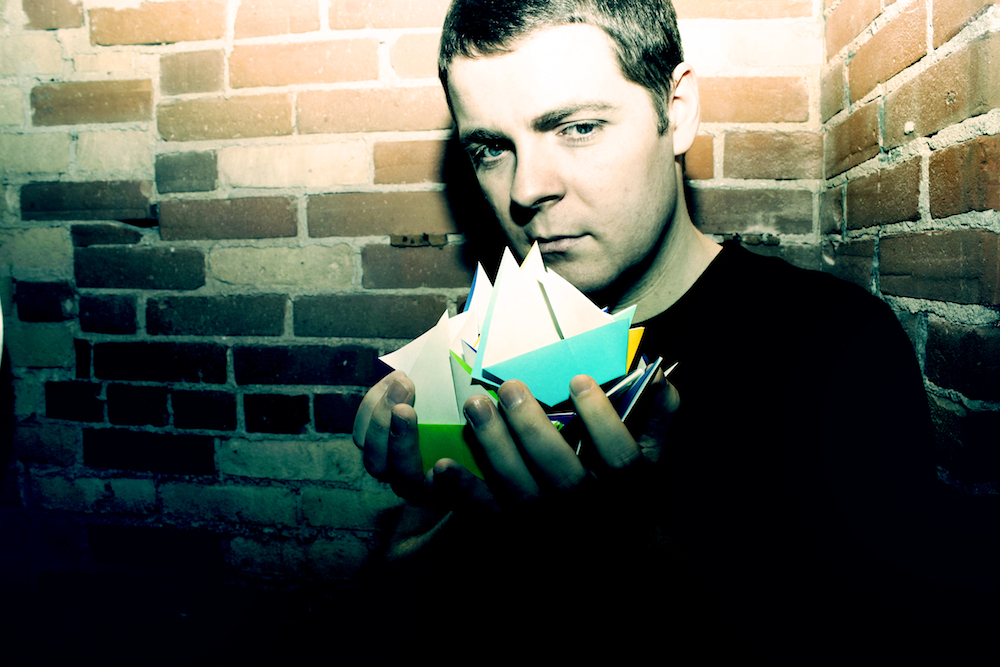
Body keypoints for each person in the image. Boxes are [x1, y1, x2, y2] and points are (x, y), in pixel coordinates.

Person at [352, 0, 992, 647]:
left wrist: (640, 548)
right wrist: (435, 504)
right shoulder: (490, 349)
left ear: (677, 111)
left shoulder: (834, 345)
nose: (525, 189)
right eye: (491, 147)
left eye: (577, 128)